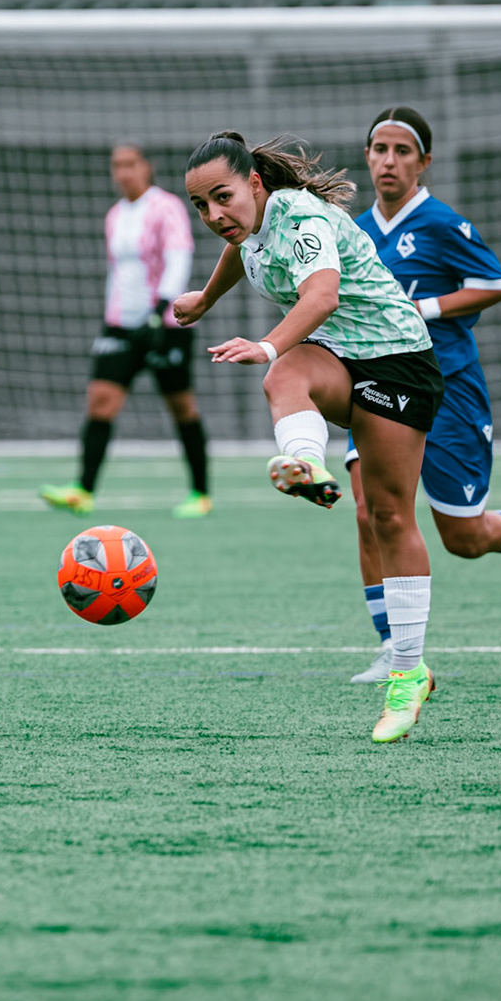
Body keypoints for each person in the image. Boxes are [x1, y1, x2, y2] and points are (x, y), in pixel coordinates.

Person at [172, 131, 443, 744]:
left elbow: (321, 295)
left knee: (391, 517)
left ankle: (408, 675)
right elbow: (241, 254)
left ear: (256, 185)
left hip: (400, 360)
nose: (216, 216)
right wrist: (205, 301)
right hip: (344, 358)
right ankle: (305, 466)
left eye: (223, 197)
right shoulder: (252, 228)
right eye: (201, 206)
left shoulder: (301, 213)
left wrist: (266, 342)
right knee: (285, 375)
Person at [345, 107, 501, 686]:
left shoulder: (443, 224)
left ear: (424, 162)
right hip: (376, 388)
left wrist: (421, 307)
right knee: (370, 513)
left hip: (448, 390)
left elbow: (494, 285)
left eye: (403, 151)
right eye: (379, 148)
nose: (388, 160)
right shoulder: (352, 232)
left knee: (464, 539)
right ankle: (394, 649)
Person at [41, 143, 212, 519]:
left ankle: (200, 492)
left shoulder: (165, 206)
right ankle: (82, 491)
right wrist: (110, 316)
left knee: (182, 406)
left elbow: (178, 256)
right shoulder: (115, 215)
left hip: (164, 325)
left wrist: (160, 309)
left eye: (129, 164)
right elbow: (119, 273)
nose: (122, 172)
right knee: (100, 401)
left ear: (146, 167)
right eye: (116, 165)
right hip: (120, 326)